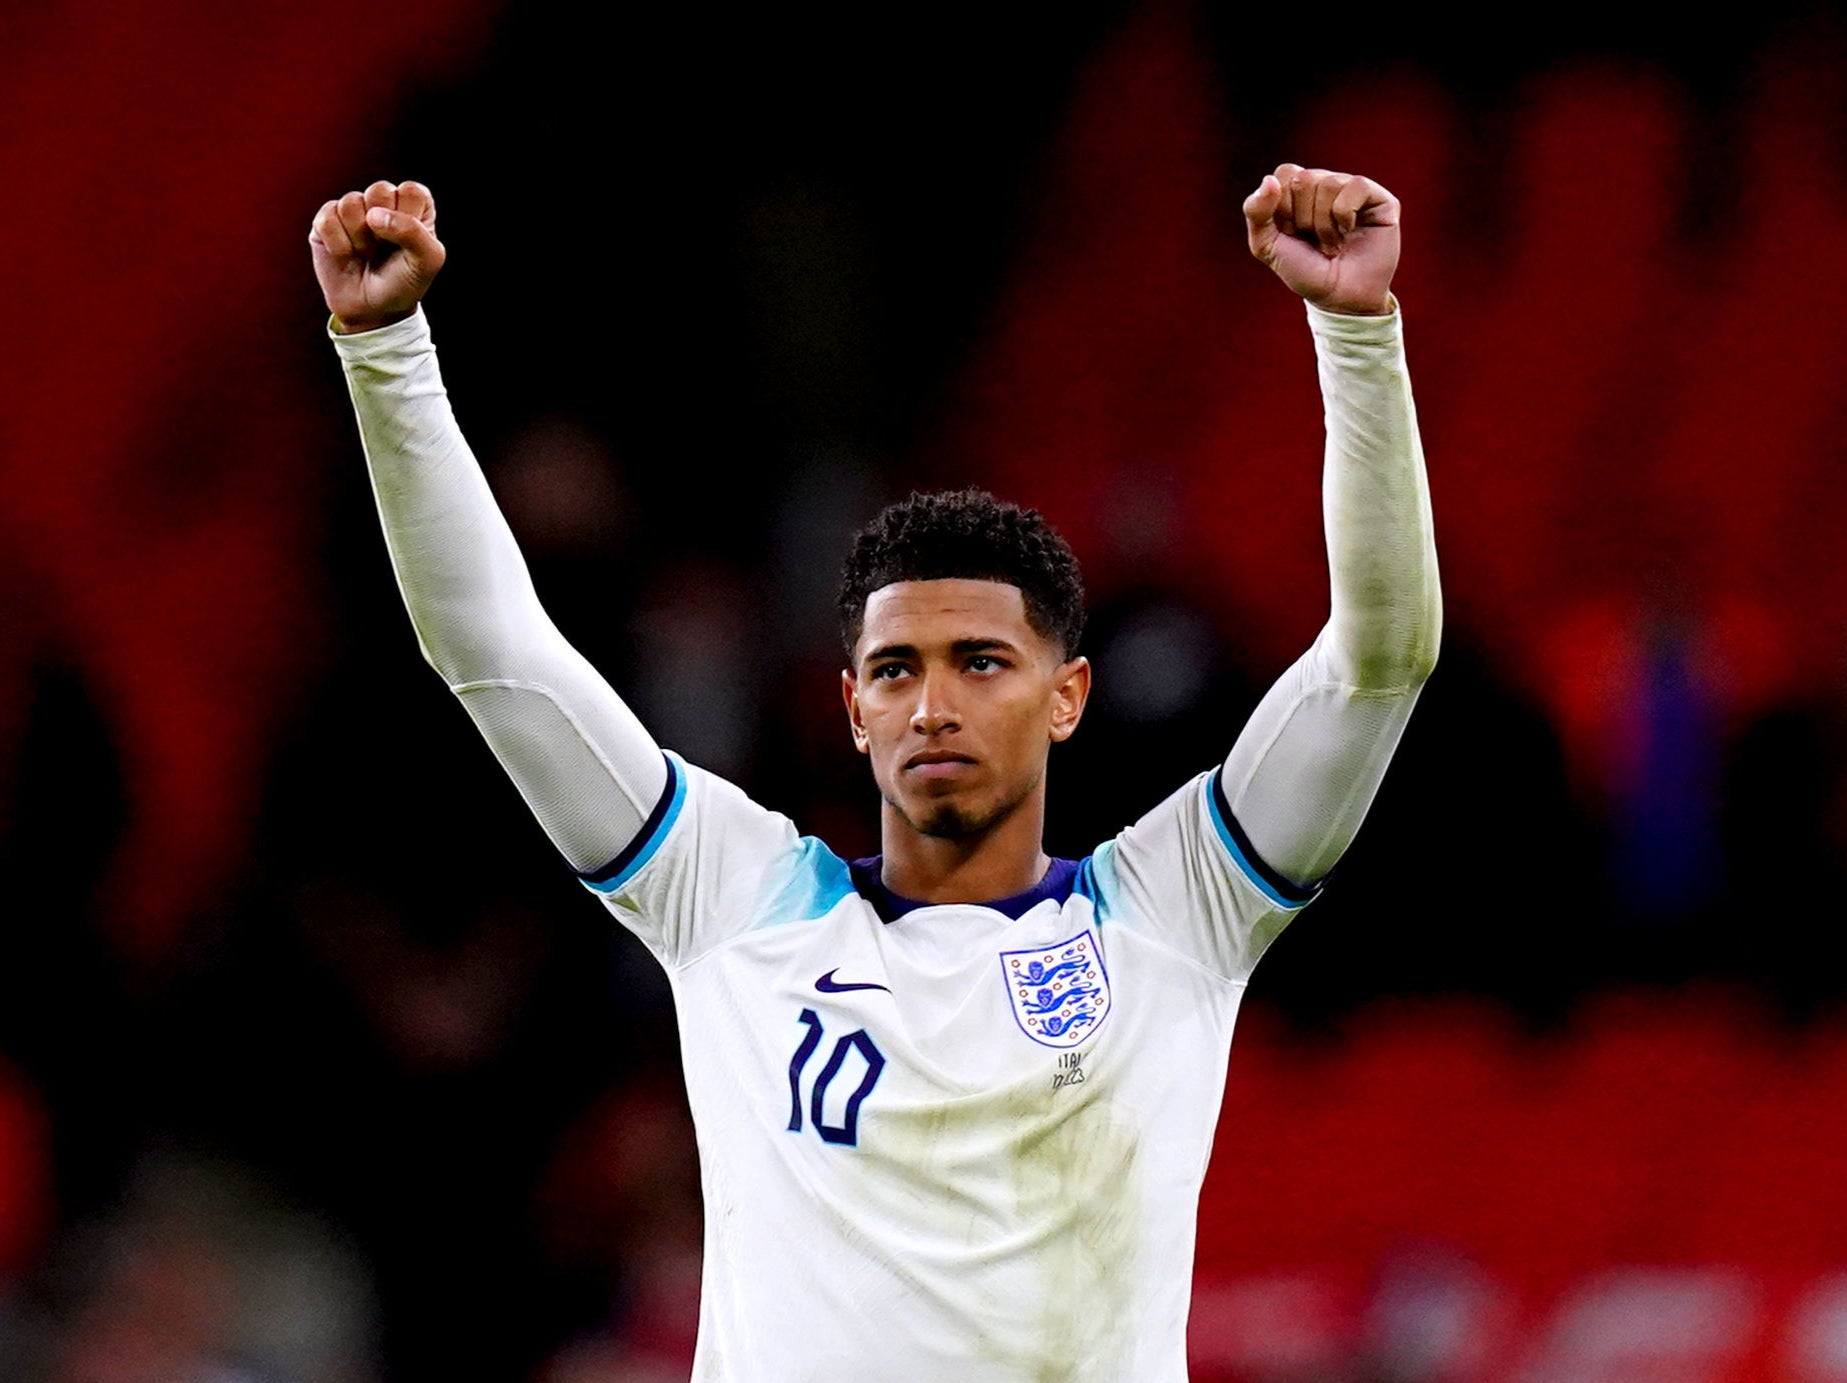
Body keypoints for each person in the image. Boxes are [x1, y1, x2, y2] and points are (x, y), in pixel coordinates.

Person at [309, 163, 1439, 1382]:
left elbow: (1378, 661)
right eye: (895, 670)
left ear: (1067, 698)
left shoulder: (1170, 915)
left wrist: (1356, 332)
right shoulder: (733, 904)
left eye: (982, 663)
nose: (933, 704)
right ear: (852, 710)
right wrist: (387, 353)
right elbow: (490, 645)